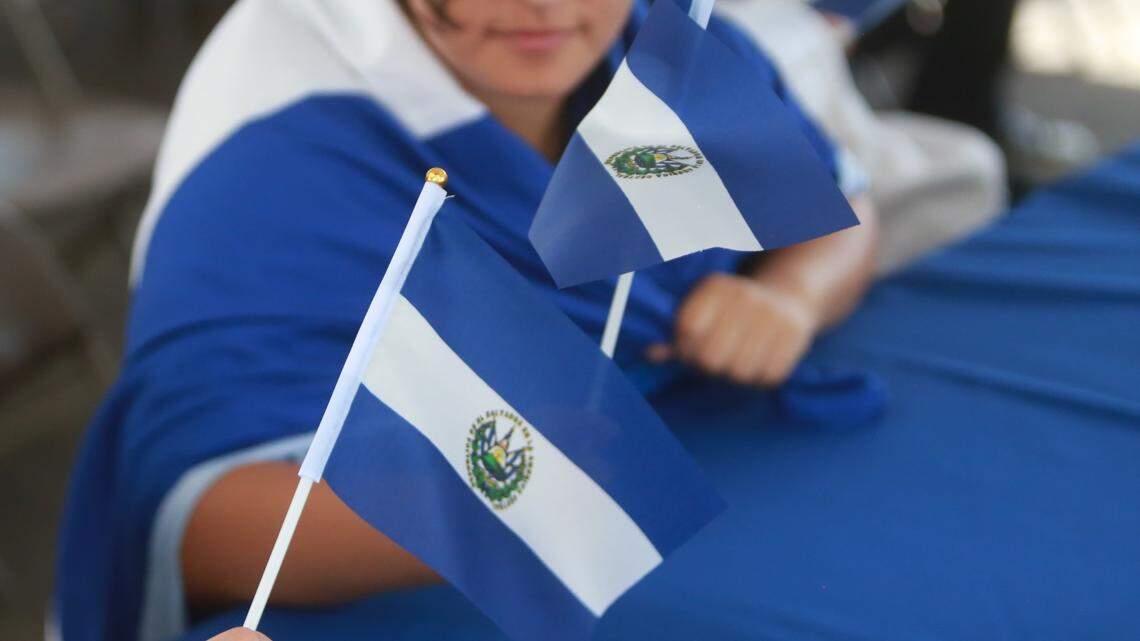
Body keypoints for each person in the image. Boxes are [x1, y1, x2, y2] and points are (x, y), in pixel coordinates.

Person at [53, 2, 876, 641]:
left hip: (711, 487)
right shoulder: (271, 151)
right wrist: (473, 506)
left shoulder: (661, 37)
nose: (543, 7)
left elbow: (838, 200)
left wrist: (790, 296)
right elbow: (192, 517)